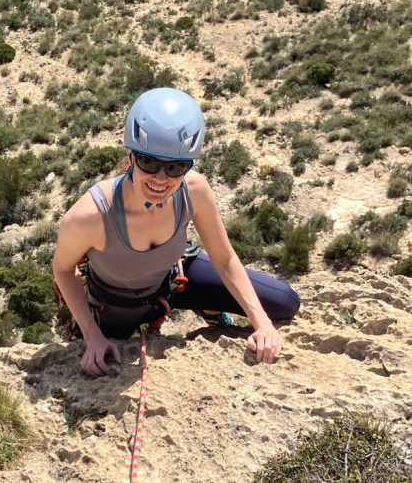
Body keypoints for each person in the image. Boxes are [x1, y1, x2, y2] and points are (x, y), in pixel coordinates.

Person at [52, 87, 301, 377]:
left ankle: (205, 305)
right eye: (148, 162)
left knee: (284, 303)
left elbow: (224, 259)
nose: (161, 178)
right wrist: (93, 336)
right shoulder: (91, 215)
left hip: (173, 280)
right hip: (116, 303)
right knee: (105, 357)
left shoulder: (194, 191)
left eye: (176, 167)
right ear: (131, 156)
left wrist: (263, 324)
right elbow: (63, 270)